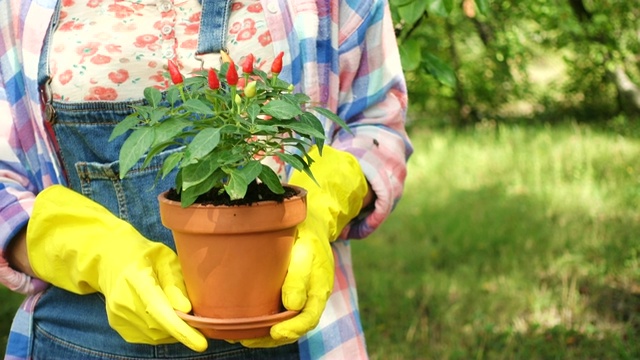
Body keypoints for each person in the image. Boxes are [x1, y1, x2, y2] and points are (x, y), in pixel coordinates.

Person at [0, 0, 412, 358]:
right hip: (78, 340)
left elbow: (375, 125)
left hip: (295, 331)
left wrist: (324, 204)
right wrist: (91, 252)